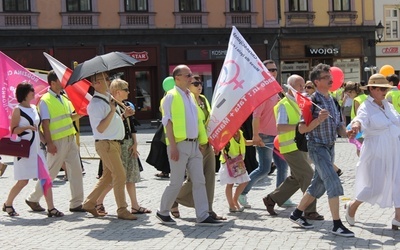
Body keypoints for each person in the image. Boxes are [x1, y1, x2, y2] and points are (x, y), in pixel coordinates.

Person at [288, 63, 354, 237]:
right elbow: (302, 129)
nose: (331, 79)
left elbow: (339, 127)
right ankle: (337, 224)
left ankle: (296, 214)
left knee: (317, 185)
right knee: (332, 181)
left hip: (330, 147)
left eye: (330, 76)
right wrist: (318, 120)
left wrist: (347, 132)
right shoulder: (312, 102)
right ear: (317, 81)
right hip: (317, 147)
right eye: (326, 77)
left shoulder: (333, 100)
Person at [156, 64, 221, 226]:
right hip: (179, 145)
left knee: (200, 181)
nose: (191, 78)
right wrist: (172, 146)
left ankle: (203, 215)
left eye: (191, 75)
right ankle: (163, 212)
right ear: (177, 78)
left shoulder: (190, 96)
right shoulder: (170, 96)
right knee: (176, 182)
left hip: (194, 145)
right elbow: (167, 123)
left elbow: (198, 121)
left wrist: (202, 140)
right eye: (188, 76)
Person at [263, 74, 324, 221]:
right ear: (290, 88)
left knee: (297, 178)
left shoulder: (301, 102)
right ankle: (309, 211)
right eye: (299, 85)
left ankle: (271, 199)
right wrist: (299, 128)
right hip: (290, 147)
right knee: (308, 175)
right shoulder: (284, 104)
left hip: (301, 146)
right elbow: (280, 126)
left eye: (304, 85)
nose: (303, 88)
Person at [346, 74, 400, 230]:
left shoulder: (388, 105)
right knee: (374, 186)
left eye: (386, 88)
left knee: (398, 182)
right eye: (381, 89)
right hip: (376, 150)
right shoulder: (365, 106)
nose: (385, 91)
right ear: (372, 89)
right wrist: (355, 126)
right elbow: (359, 119)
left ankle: (398, 218)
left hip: (394, 148)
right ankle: (352, 205)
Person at [25, 70, 84, 213]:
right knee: (51, 173)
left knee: (76, 171)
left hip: (70, 139)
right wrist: (49, 143)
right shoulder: (45, 100)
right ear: (52, 82)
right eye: (60, 80)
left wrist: (81, 113)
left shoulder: (64, 98)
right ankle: (33, 198)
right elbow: (45, 124)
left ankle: (76, 203)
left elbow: (69, 117)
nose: (63, 83)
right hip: (57, 142)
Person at [3, 83, 63, 217]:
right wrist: (27, 128)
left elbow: (38, 130)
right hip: (24, 151)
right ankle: (8, 203)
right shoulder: (17, 110)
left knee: (45, 179)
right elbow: (13, 130)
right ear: (25, 94)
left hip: (37, 150)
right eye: (31, 91)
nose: (34, 93)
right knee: (23, 181)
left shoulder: (33, 108)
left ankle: (51, 208)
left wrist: (47, 143)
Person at [82, 72, 136, 220]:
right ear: (95, 83)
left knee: (107, 177)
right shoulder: (96, 104)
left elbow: (113, 122)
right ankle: (122, 209)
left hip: (114, 143)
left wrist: (124, 115)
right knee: (120, 175)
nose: (108, 81)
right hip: (106, 144)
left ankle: (89, 203)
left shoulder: (107, 99)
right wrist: (113, 111)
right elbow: (100, 128)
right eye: (105, 79)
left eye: (108, 78)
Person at [171, 76, 225, 220]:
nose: (199, 86)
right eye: (195, 83)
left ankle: (208, 209)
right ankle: (173, 198)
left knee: (210, 176)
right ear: (188, 85)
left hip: (208, 142)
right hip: (195, 144)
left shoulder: (203, 99)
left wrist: (216, 141)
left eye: (200, 83)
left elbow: (210, 121)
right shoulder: (187, 100)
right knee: (195, 179)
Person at [95, 79, 151, 216]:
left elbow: (131, 126)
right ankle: (98, 201)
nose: (129, 92)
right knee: (116, 176)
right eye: (126, 89)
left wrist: (135, 142)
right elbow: (111, 124)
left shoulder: (124, 104)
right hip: (117, 144)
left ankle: (135, 205)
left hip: (128, 143)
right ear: (118, 91)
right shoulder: (111, 105)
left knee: (130, 176)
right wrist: (124, 115)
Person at [238, 59, 290, 209]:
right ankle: (242, 193)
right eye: (270, 70)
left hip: (278, 135)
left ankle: (281, 196)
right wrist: (255, 135)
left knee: (283, 166)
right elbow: (256, 116)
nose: (273, 72)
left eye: (274, 70)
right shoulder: (261, 91)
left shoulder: (278, 89)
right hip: (265, 135)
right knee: (264, 169)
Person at [219, 129, 250, 212]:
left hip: (238, 162)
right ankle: (231, 205)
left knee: (245, 181)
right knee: (230, 184)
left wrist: (256, 142)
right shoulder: (226, 133)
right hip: (229, 163)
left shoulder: (240, 132)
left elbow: (245, 142)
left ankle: (235, 199)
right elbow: (221, 146)